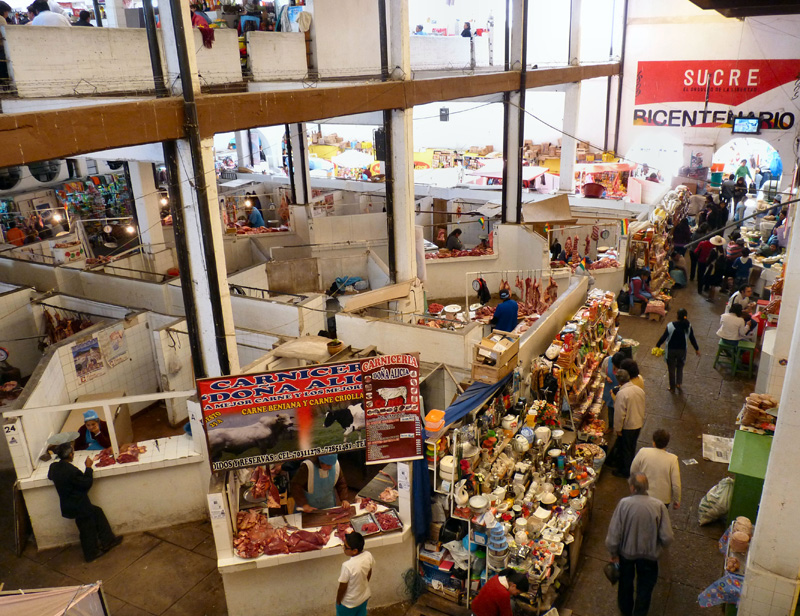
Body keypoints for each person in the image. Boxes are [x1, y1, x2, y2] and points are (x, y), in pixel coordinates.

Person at [606, 473, 674, 616]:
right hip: (650, 556)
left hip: (626, 554)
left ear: (632, 488)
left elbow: (614, 534)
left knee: (625, 584)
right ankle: (640, 612)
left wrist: (613, 553)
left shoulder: (623, 504)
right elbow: (667, 537)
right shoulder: (659, 506)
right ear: (647, 487)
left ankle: (626, 610)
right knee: (645, 587)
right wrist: (659, 548)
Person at [47, 443, 123, 562]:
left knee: (97, 512)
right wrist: (88, 468)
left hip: (68, 504)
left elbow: (50, 476)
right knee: (87, 528)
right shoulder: (72, 471)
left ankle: (108, 540)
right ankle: (91, 554)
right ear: (71, 455)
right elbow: (86, 483)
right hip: (79, 505)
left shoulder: (54, 467)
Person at [630, 430, 681, 509]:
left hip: (643, 494)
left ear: (653, 442)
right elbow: (676, 484)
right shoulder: (672, 459)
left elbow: (633, 471)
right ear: (666, 443)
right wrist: (677, 500)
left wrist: (634, 486)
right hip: (662, 500)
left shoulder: (643, 452)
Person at [655, 308, 700, 392]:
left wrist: (657, 345)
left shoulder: (671, 325)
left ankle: (672, 387)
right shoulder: (688, 326)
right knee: (680, 367)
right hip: (682, 351)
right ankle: (678, 383)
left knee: (671, 369)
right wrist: (696, 349)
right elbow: (692, 338)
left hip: (671, 350)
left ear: (677, 316)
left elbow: (664, 337)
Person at [612, 369, 646, 479]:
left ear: (619, 381)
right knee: (632, 446)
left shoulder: (622, 394)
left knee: (626, 449)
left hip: (628, 426)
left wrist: (618, 428)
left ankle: (626, 471)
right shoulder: (639, 390)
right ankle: (632, 466)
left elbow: (620, 414)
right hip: (638, 422)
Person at [336, 531, 374, 616]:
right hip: (364, 597)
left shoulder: (347, 566)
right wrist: (364, 583)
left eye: (345, 547)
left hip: (349, 603)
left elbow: (342, 587)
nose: (343, 548)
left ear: (354, 551)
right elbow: (369, 571)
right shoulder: (368, 555)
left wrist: (338, 600)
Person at [601, 352, 625, 432]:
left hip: (620, 390)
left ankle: (620, 427)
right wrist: (606, 377)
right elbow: (602, 372)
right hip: (609, 387)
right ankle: (611, 426)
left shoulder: (624, 366)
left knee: (620, 409)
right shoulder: (607, 361)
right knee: (610, 408)